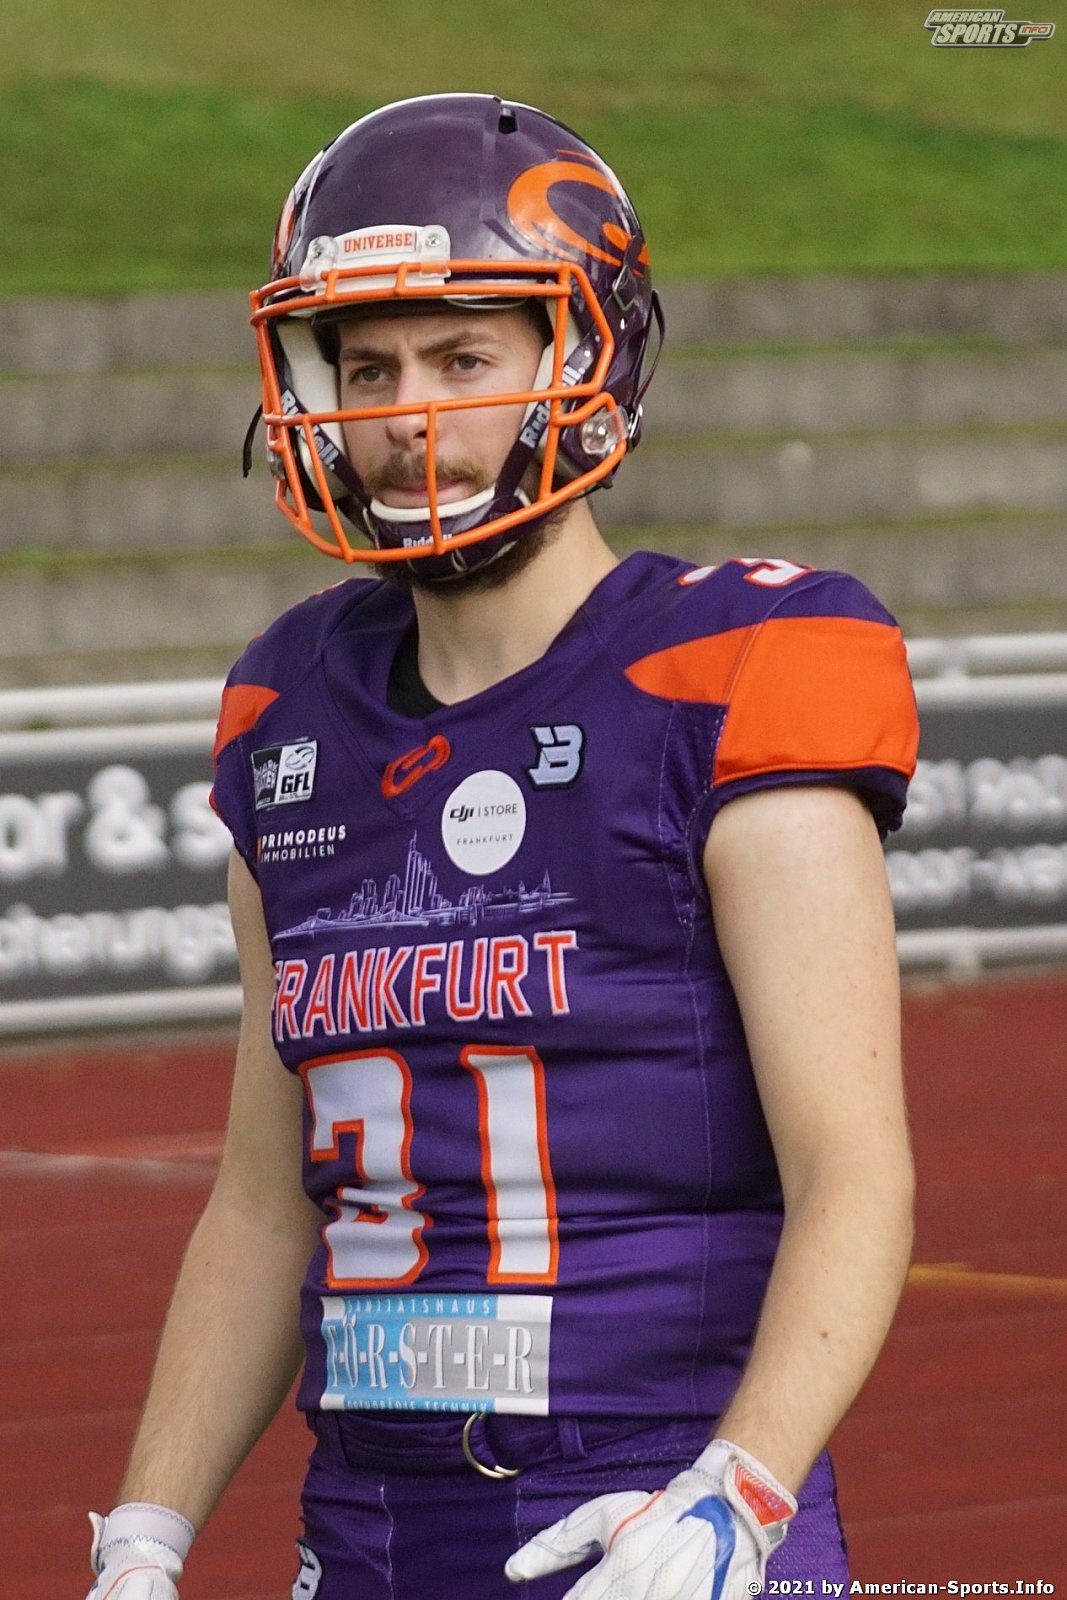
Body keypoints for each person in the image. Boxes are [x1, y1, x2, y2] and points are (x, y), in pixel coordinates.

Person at [86, 94, 919, 1600]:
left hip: (657, 1500)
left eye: (464, 357)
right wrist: (147, 1534)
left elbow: (853, 1173)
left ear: (581, 362)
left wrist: (741, 1492)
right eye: (369, 365)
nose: (408, 414)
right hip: (369, 1520)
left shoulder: (732, 669)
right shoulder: (288, 710)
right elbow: (264, 1201)